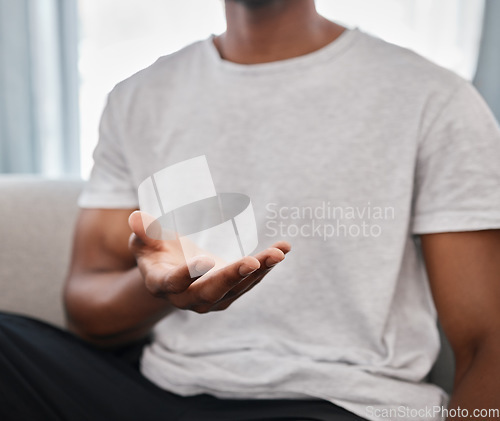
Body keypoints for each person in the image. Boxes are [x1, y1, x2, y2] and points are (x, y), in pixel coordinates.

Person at [1, 0, 499, 420]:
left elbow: (487, 343)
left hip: (337, 401)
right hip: (160, 390)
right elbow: (86, 310)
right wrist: (160, 288)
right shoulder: (137, 97)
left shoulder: (433, 98)